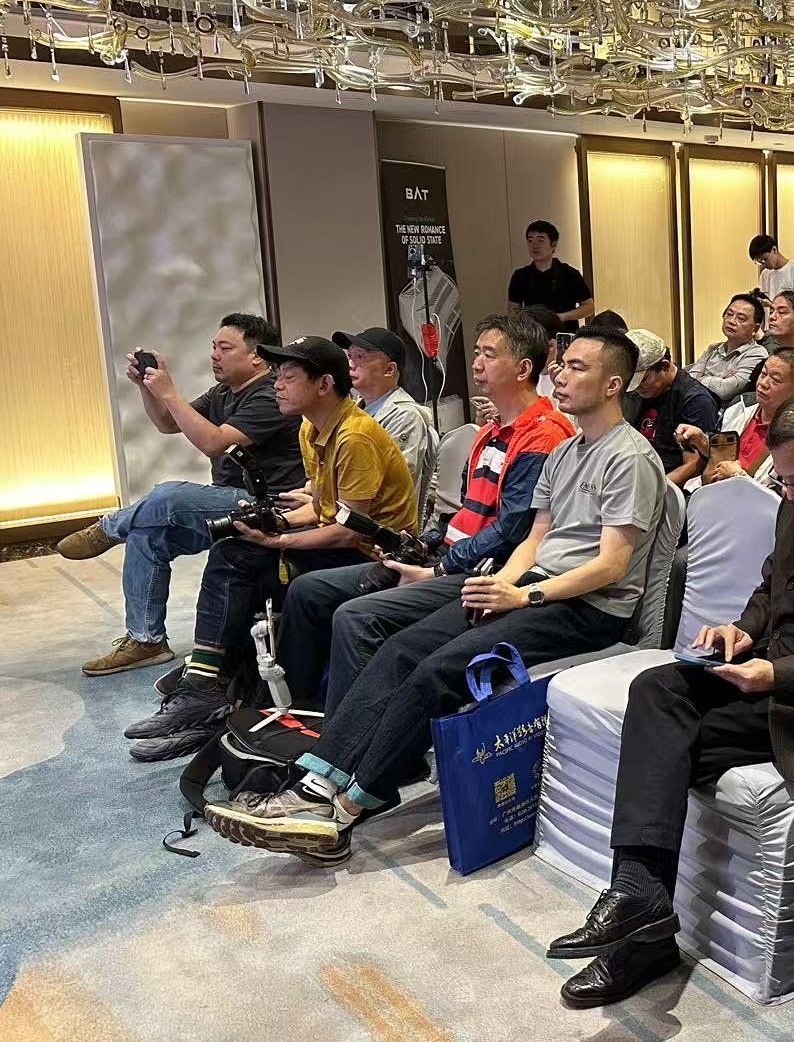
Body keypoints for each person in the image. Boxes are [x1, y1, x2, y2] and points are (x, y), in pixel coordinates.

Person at [204, 328, 668, 866]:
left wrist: (524, 597)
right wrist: (504, 585)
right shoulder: (566, 452)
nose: (561, 375)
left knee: (438, 669)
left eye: (578, 368)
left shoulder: (630, 457)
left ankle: (347, 808)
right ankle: (318, 782)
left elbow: (611, 566)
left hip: (587, 607)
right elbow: (536, 537)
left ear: (613, 385)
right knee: (400, 647)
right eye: (562, 365)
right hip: (534, 586)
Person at [545, 394, 794, 1006]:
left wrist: (776, 674)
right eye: (785, 481)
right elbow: (773, 585)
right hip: (765, 672)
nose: (790, 494)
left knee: (660, 755)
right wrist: (742, 630)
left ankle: (643, 936)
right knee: (656, 686)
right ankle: (641, 901)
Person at [124, 337, 417, 753]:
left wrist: (279, 538)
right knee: (238, 549)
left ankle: (212, 687)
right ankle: (218, 690)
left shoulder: (355, 437)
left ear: (324, 384)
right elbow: (323, 506)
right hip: (346, 541)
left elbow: (351, 530)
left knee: (240, 558)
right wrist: (277, 522)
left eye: (289, 377)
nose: (277, 384)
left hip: (375, 555)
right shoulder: (312, 427)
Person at [269, 313, 574, 708]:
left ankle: (347, 728)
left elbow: (511, 529)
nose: (476, 363)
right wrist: (423, 543)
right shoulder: (489, 430)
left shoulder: (543, 434)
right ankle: (297, 709)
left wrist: (439, 568)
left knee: (355, 616)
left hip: (483, 569)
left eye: (489, 355)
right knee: (309, 590)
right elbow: (461, 514)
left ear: (523, 369)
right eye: (476, 353)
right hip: (451, 555)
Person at [59, 314, 305, 677]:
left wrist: (170, 391)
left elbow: (213, 442)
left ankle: (109, 528)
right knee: (146, 534)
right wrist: (148, 388)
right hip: (228, 499)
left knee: (168, 496)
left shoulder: (269, 394)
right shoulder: (223, 393)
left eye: (225, 348)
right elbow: (168, 423)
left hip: (269, 504)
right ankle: (146, 641)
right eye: (213, 347)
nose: (214, 355)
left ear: (257, 356)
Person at [334, 327, 437, 526]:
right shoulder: (356, 409)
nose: (350, 364)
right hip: (352, 513)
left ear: (389, 369)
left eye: (360, 357)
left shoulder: (406, 416)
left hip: (384, 528)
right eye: (350, 356)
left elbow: (390, 486)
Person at [681, 348, 794, 487]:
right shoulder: (740, 406)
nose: (763, 383)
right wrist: (701, 439)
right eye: (763, 374)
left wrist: (738, 476)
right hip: (710, 489)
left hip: (748, 498)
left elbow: (787, 495)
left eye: (775, 380)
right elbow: (722, 455)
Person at [623, 329, 721, 487]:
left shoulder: (696, 400)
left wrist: (653, 490)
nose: (637, 387)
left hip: (666, 484)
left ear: (665, 366)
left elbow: (693, 465)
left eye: (644, 379)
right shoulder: (641, 391)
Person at [507, 220, 593, 333]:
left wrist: (560, 317)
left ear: (553, 244)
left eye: (540, 240)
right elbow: (513, 310)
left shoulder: (569, 273)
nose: (535, 245)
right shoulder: (520, 276)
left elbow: (589, 307)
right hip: (533, 335)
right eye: (530, 240)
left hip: (565, 333)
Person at [688, 293, 769, 408]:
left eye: (741, 318)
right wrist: (720, 380)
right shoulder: (713, 348)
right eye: (729, 314)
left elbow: (725, 390)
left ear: (755, 329)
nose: (731, 321)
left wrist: (702, 378)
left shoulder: (757, 354)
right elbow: (689, 380)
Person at [750, 234, 794, 301]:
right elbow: (764, 300)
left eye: (764, 260)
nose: (763, 265)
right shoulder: (765, 274)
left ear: (774, 250)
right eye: (759, 262)